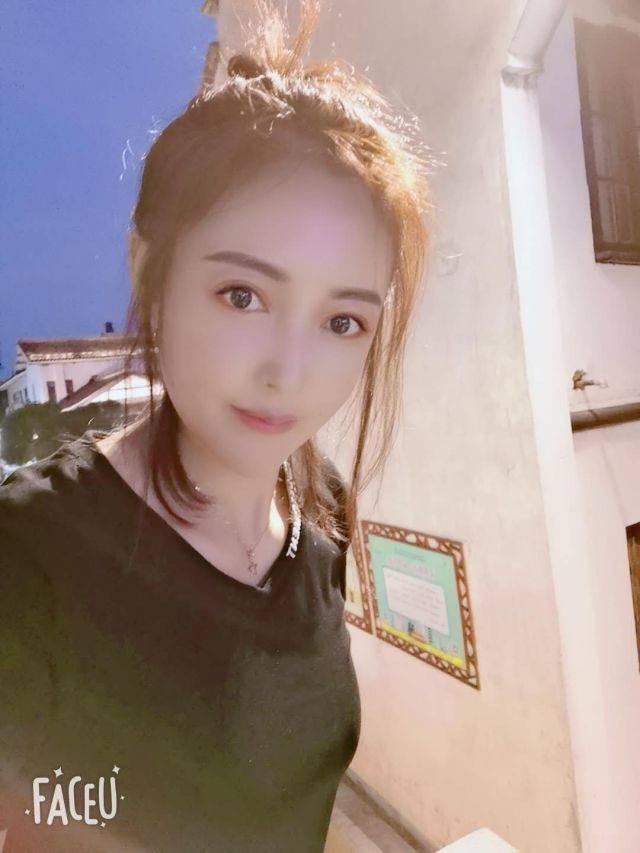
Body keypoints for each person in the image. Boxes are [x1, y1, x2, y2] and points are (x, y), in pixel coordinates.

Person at [0, 0, 432, 849]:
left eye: (342, 321)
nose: (288, 372)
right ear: (150, 271)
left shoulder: (320, 511)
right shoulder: (31, 557)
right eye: (243, 295)